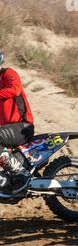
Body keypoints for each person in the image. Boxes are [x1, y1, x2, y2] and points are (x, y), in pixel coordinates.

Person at [0, 51, 35, 194]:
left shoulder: (8, 73)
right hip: (8, 130)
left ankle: (21, 173)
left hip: (23, 126)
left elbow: (15, 89)